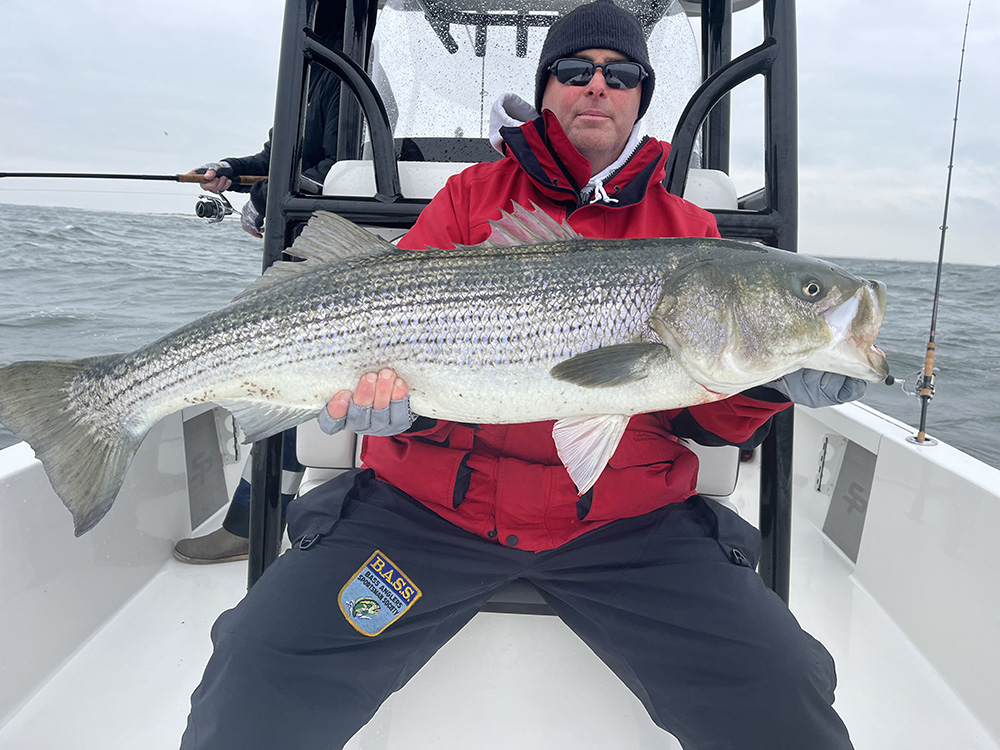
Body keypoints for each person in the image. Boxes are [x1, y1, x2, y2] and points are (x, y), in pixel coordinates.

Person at [181, 2, 861, 747]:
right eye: (575, 70)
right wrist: (404, 410)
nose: (597, 86)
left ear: (641, 96)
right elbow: (397, 335)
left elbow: (700, 420)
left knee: (784, 686)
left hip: (629, 526)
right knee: (255, 670)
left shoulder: (689, 234)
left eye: (621, 74)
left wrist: (767, 386)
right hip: (428, 515)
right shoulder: (471, 197)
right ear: (546, 88)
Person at [173, 4, 345, 564]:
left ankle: (253, 523)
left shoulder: (344, 77)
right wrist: (231, 168)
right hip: (307, 255)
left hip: (332, 261)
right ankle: (254, 520)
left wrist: (268, 196)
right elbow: (277, 157)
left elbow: (337, 170)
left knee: (292, 387)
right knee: (285, 386)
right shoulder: (306, 80)